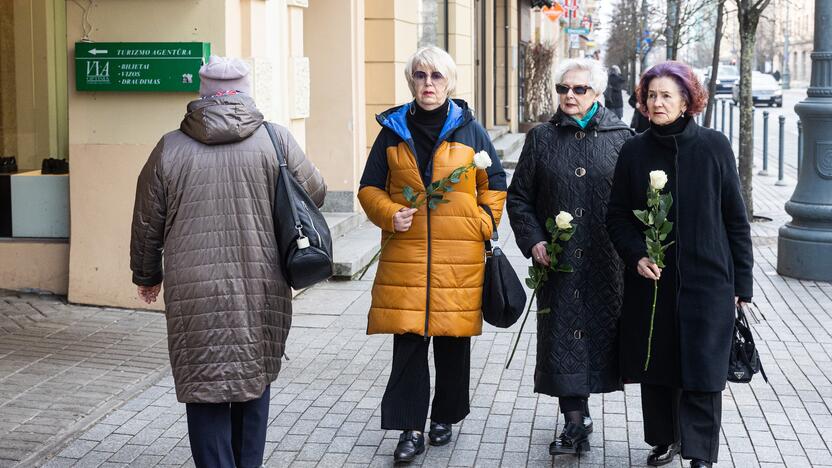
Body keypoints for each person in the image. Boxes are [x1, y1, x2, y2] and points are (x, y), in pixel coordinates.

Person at [130, 55, 326, 468]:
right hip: (262, 282)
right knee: (252, 379)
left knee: (204, 383)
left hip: (193, 291)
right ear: (247, 90)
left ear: (200, 94)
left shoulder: (169, 147)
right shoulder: (276, 140)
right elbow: (316, 194)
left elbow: (147, 221)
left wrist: (147, 275)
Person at [358, 46, 507, 464]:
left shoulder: (470, 130)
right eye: (420, 76)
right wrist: (389, 214)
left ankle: (445, 415)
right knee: (408, 342)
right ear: (411, 81)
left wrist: (479, 223)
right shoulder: (393, 130)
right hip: (406, 259)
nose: (428, 83)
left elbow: (494, 182)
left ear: (450, 82)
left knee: (453, 343)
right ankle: (409, 428)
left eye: (436, 76)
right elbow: (368, 187)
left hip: (458, 258)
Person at [605, 61, 753, 468]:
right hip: (652, 280)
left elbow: (735, 218)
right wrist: (636, 254)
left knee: (703, 369)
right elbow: (616, 215)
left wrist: (743, 283)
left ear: (687, 101)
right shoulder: (634, 149)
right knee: (657, 364)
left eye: (666, 95)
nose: (656, 102)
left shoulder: (714, 146)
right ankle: (664, 439)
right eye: (651, 95)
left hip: (709, 280)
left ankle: (700, 453)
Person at [506, 58, 633, 457]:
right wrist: (534, 241)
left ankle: (660, 426)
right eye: (563, 89)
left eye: (579, 90)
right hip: (557, 264)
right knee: (563, 337)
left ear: (596, 93)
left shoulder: (622, 138)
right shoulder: (541, 138)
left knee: (602, 337)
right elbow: (519, 198)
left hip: (607, 263)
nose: (569, 97)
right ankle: (574, 422)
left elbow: (637, 200)